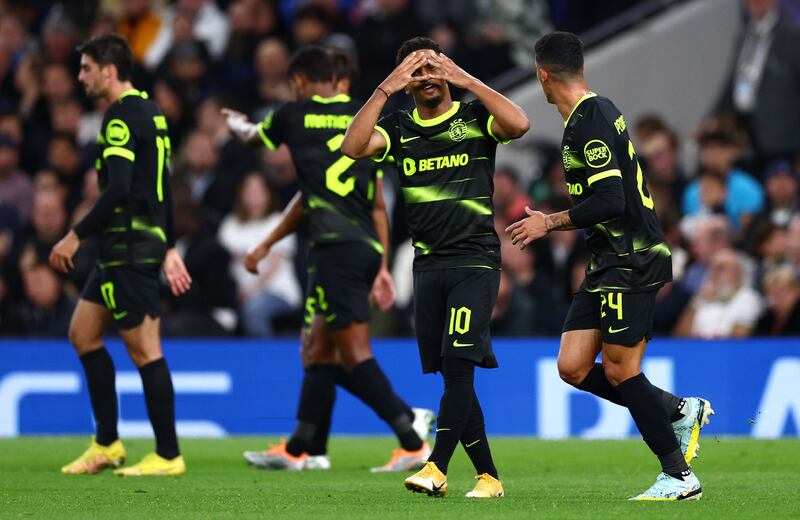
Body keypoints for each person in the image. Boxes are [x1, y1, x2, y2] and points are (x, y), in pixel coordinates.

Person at [506, 32, 712, 501]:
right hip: (607, 261)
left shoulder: (590, 119)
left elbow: (611, 199)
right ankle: (680, 410)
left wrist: (549, 222)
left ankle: (679, 477)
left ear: (542, 75)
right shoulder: (592, 114)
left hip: (630, 258)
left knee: (621, 371)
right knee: (573, 366)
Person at [224, 46, 433, 473]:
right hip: (361, 247)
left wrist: (236, 123)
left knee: (353, 354)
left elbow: (252, 139)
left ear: (299, 82)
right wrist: (379, 266)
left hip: (333, 248)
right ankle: (302, 447)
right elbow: (376, 203)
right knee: (319, 351)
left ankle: (412, 434)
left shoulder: (293, 115)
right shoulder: (362, 117)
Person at [342, 36, 530, 498]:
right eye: (416, 72)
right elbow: (352, 146)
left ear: (446, 72)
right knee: (453, 374)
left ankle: (436, 466)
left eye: (433, 69)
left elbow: (519, 123)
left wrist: (464, 78)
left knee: (459, 364)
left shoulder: (473, 118)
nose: (426, 79)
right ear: (406, 82)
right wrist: (385, 88)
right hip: (427, 265)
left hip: (474, 260)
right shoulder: (400, 126)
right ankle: (488, 477)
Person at [49, 34, 192, 477]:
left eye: (86, 68)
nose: (81, 77)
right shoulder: (151, 112)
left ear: (109, 70)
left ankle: (168, 455)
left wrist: (75, 235)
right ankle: (107, 443)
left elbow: (119, 189)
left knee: (145, 350)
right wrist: (168, 244)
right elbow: (162, 186)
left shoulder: (120, 117)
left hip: (128, 246)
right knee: (83, 333)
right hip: (131, 244)